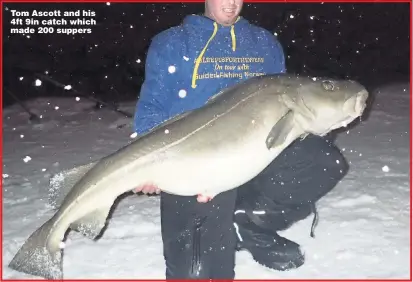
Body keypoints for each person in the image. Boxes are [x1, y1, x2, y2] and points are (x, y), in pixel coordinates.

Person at [133, 0, 349, 279]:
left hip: (256, 152)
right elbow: (153, 105)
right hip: (193, 158)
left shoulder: (263, 43)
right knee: (197, 273)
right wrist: (149, 161)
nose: (232, 3)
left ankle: (250, 221)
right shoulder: (173, 43)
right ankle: (224, 219)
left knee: (321, 160)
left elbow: (285, 103)